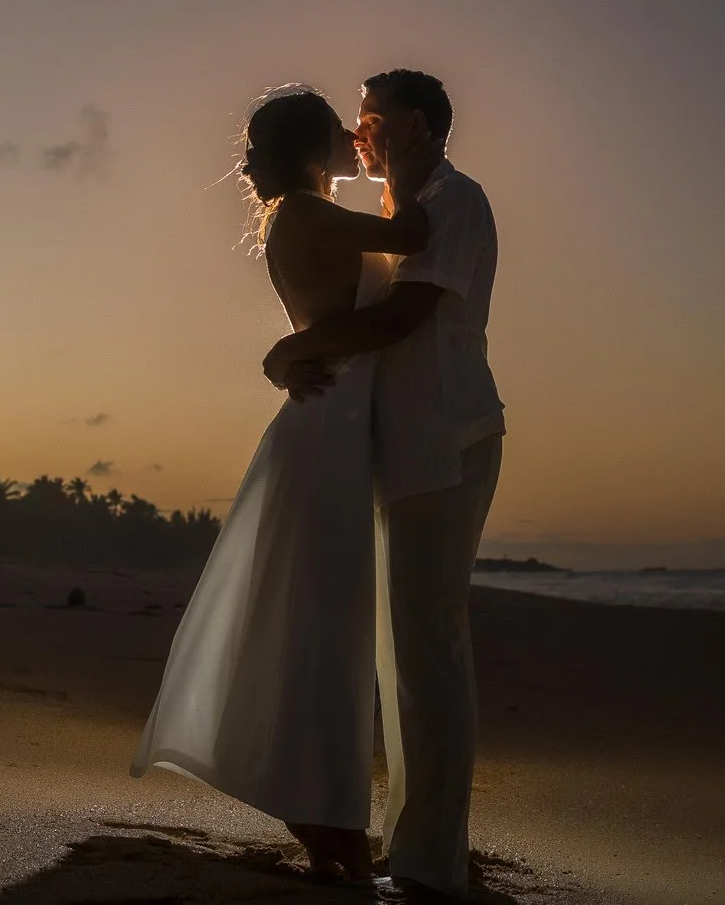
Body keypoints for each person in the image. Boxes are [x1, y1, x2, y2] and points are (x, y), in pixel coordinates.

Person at [133, 86, 438, 884]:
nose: (354, 135)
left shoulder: (303, 211)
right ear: (314, 145)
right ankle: (323, 813)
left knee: (324, 621)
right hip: (327, 424)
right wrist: (400, 154)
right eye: (344, 128)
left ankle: (325, 811)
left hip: (335, 420)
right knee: (322, 623)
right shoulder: (304, 213)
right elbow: (413, 232)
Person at [266, 69, 503, 899]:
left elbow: (406, 317)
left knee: (428, 652)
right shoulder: (402, 207)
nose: (360, 129)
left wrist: (296, 352)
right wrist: (296, 348)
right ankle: (412, 849)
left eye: (371, 115)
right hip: (391, 446)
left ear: (416, 123)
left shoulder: (453, 200)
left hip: (448, 438)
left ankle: (432, 864)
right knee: (403, 655)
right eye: (356, 118)